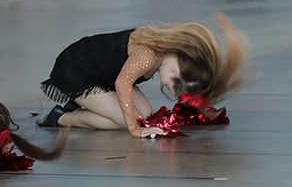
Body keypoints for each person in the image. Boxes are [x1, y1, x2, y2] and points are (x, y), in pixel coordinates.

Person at [35, 13, 249, 137]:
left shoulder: (173, 55)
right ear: (174, 73)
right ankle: (62, 117)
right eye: (171, 87)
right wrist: (133, 129)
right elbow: (122, 83)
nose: (166, 87)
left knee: (144, 113)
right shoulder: (149, 56)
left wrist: (203, 108)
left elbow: (195, 77)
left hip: (102, 74)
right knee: (122, 120)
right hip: (77, 70)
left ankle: (91, 104)